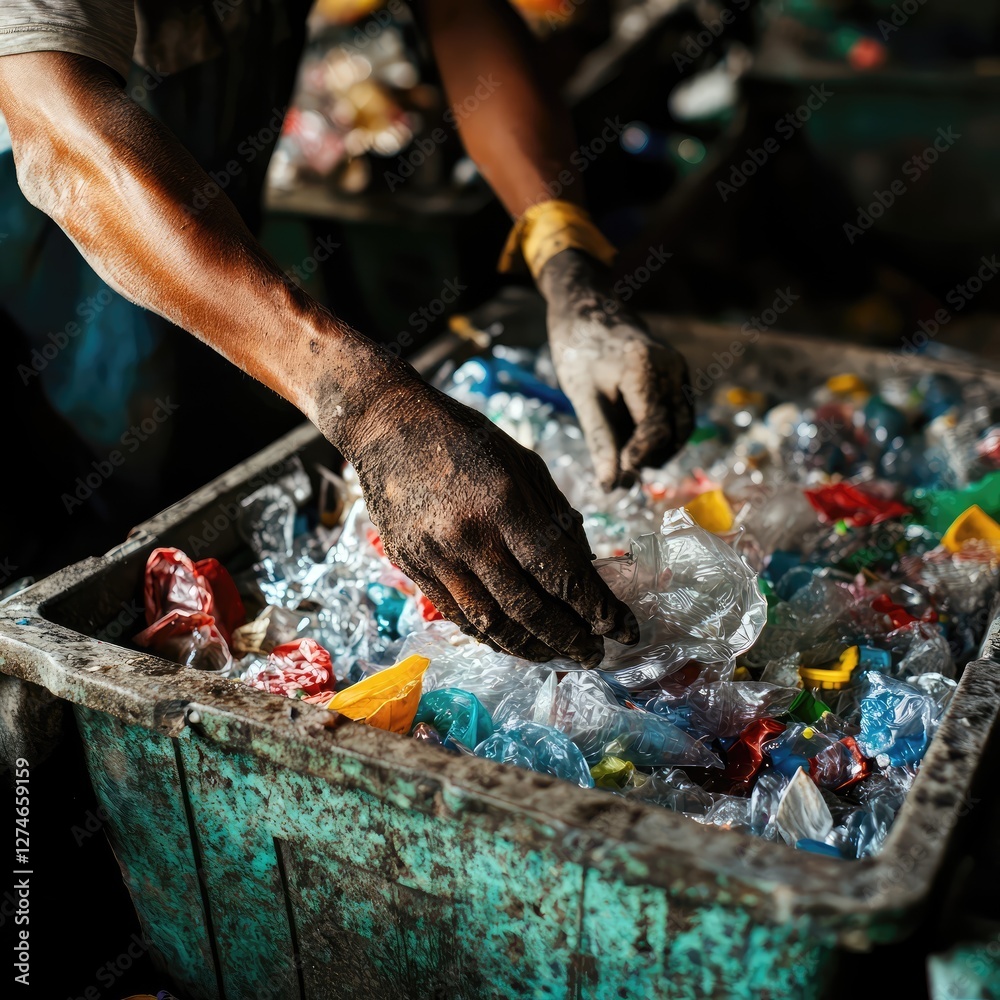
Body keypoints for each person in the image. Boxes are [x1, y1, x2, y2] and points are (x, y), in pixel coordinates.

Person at [0, 0, 694, 665]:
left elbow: (460, 13)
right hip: (41, 265)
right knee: (67, 574)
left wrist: (565, 262)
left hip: (196, 242)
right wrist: (372, 408)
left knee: (199, 530)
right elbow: (63, 139)